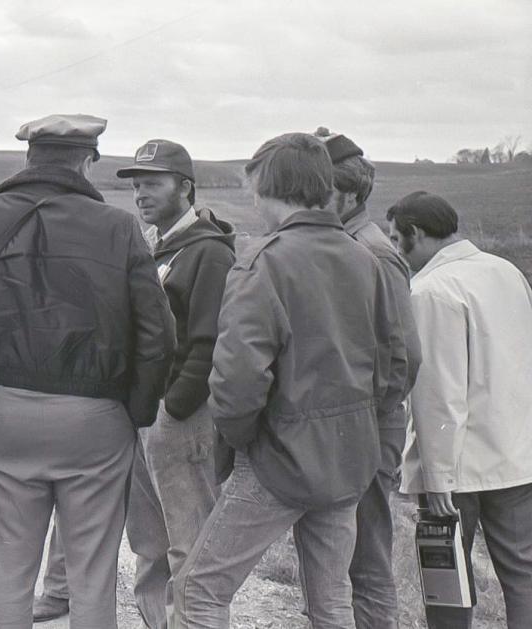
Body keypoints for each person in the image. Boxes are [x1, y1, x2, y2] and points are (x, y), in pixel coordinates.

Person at [0, 113, 175, 629]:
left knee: (9, 574)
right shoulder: (121, 228)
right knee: (92, 574)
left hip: (3, 412)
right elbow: (158, 334)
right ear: (87, 161)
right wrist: (137, 411)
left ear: (29, 159)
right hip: (98, 416)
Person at [175, 132, 408, 628]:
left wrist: (244, 442)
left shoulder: (263, 262)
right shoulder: (364, 256)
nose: (252, 200)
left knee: (199, 591)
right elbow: (396, 365)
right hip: (348, 458)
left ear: (268, 187)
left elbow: (237, 381)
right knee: (331, 601)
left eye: (254, 188)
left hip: (278, 457)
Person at [388, 191, 532, 629]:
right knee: (523, 575)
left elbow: (438, 393)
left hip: (458, 468)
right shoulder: (505, 271)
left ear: (416, 233)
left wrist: (437, 476)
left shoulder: (432, 290)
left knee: (446, 577)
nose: (396, 249)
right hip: (516, 454)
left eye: (397, 239)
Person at [115, 139, 235, 628]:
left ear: (184, 187)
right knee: (148, 543)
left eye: (153, 183)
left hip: (180, 416)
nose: (141, 193)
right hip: (147, 411)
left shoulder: (208, 252)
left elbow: (209, 341)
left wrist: (176, 407)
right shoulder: (154, 246)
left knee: (189, 543)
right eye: (136, 184)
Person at [315, 128, 421, 629]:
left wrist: (372, 416)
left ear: (350, 195)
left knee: (368, 561)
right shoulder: (345, 243)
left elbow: (407, 355)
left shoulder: (373, 252)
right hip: (350, 426)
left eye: (320, 189)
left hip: (369, 428)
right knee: (339, 558)